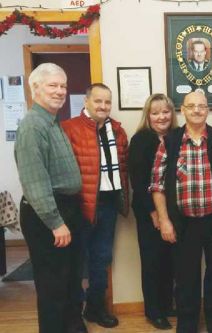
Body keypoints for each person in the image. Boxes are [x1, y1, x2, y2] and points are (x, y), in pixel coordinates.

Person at [150, 91, 212, 333]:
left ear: (207, 110)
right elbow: (157, 185)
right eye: (191, 106)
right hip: (183, 225)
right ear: (182, 110)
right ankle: (187, 326)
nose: (196, 110)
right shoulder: (169, 143)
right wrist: (164, 220)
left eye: (201, 106)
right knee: (185, 280)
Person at [14, 63, 86, 333]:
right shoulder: (33, 126)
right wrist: (55, 222)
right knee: (53, 286)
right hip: (48, 213)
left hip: (66, 208)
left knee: (69, 280)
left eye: (63, 85)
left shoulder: (52, 122)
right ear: (35, 89)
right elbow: (34, 181)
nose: (60, 91)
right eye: (53, 85)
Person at [61, 83, 129, 328]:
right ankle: (73, 314)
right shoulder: (69, 128)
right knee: (77, 260)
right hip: (79, 206)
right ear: (86, 102)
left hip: (108, 204)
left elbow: (123, 167)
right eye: (98, 101)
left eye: (107, 102)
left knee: (101, 258)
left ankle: (95, 308)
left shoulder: (118, 131)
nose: (103, 106)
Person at [129, 94, 178, 330]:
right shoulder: (141, 140)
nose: (162, 117)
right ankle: (154, 310)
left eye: (166, 111)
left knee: (170, 260)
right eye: (156, 112)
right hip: (149, 211)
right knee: (152, 261)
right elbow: (138, 182)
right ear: (148, 116)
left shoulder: (178, 137)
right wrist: (154, 213)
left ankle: (168, 303)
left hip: (175, 211)